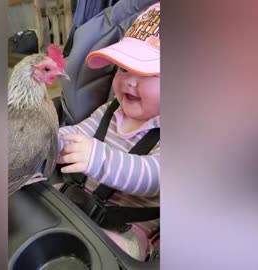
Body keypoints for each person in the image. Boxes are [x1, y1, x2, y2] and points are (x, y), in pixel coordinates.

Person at [56, 2, 160, 261]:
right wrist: (49, 141)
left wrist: (98, 159)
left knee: (102, 256)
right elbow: (77, 133)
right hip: (79, 200)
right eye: (124, 68)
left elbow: (154, 177)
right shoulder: (110, 110)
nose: (129, 80)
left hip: (127, 227)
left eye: (146, 73)